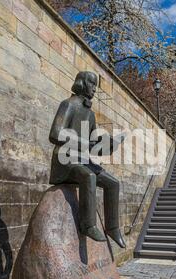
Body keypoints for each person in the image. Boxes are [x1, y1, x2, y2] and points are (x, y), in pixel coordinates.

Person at [48, 71, 126, 248]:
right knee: (88, 176)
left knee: (113, 183)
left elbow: (93, 144)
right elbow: (55, 133)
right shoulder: (68, 104)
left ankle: (113, 228)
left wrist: (107, 144)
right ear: (82, 83)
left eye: (95, 86)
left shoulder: (90, 115)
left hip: (81, 159)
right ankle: (88, 225)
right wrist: (85, 143)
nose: (94, 90)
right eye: (92, 85)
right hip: (64, 159)